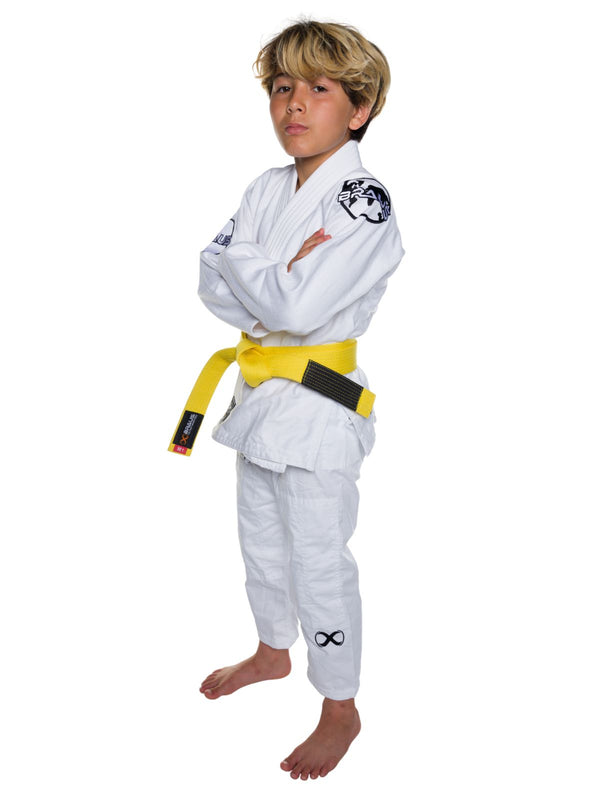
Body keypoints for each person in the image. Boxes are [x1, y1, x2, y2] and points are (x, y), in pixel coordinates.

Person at [194, 19, 405, 780]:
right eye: (282, 87)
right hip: (256, 400)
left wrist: (255, 272)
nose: (294, 104)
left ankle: (341, 704)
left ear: (358, 108)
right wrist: (270, 269)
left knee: (318, 558)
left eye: (319, 88)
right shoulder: (266, 187)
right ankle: (271, 650)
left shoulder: (363, 201)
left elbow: (291, 308)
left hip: (317, 409)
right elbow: (209, 278)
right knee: (259, 540)